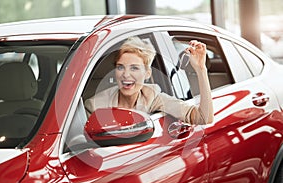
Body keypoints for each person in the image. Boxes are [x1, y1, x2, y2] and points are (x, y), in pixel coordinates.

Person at [85, 36, 214, 125]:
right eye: (120, 67)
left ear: (147, 73)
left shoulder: (153, 98)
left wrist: (201, 69)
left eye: (134, 68)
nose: (125, 74)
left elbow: (204, 118)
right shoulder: (94, 105)